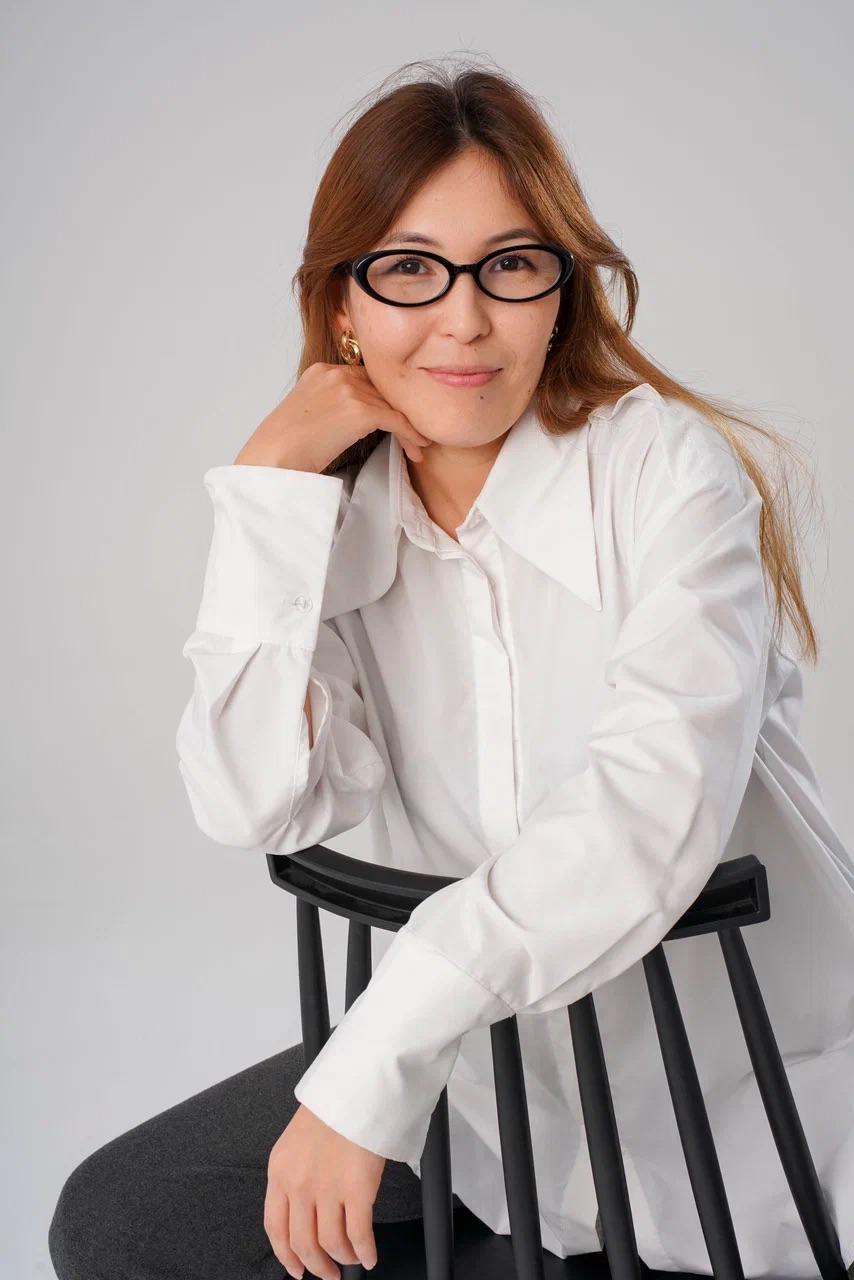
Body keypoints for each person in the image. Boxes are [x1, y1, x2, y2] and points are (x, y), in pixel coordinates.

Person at [49, 56, 854, 1280]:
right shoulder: (333, 520)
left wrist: (375, 1054)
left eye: (509, 266)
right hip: (488, 1089)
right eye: (410, 269)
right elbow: (253, 798)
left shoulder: (662, 472)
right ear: (343, 306)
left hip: (740, 1087)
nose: (464, 318)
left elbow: (642, 816)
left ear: (558, 293)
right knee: (127, 1222)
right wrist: (265, 490)